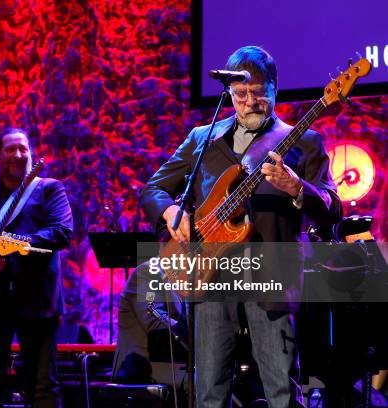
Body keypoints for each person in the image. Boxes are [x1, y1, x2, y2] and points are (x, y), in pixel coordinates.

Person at [140, 46, 342, 407]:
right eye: (240, 94)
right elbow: (154, 188)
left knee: (281, 388)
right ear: (230, 94)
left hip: (271, 273)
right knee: (210, 390)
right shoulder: (202, 138)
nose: (250, 102)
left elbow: (332, 208)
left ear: (275, 90)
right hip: (209, 271)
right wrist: (171, 213)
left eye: (259, 93)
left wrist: (297, 187)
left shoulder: (305, 141)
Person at [0, 127, 73, 407]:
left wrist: (17, 241)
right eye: (10, 149)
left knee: (43, 385)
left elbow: (62, 232)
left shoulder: (49, 188)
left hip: (37, 298)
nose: (18, 154)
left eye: (23, 148)